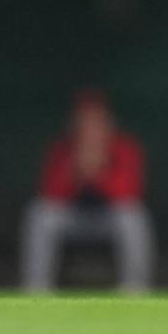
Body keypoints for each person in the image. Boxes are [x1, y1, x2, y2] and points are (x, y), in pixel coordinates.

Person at [20, 89, 154, 292]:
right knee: (40, 214)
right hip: (73, 219)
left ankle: (135, 290)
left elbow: (130, 192)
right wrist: (75, 172)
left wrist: (100, 174)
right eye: (85, 124)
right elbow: (49, 193)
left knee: (133, 216)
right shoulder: (63, 149)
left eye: (96, 123)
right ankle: (36, 289)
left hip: (108, 219)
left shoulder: (125, 148)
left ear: (108, 125)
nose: (91, 129)